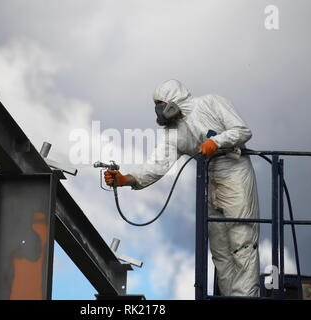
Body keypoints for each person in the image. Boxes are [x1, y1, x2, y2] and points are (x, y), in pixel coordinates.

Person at [104, 79, 260, 297]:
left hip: (235, 178)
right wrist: (126, 179)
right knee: (220, 251)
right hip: (209, 183)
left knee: (241, 244)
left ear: (172, 101)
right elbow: (157, 165)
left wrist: (218, 142)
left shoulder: (211, 103)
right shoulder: (173, 132)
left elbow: (243, 130)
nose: (159, 110)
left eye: (161, 103)